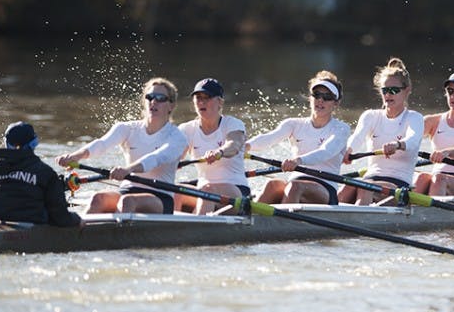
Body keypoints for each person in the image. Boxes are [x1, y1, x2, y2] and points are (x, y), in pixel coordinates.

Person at [55, 77, 188, 214]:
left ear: (171, 105)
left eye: (160, 98)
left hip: (160, 196)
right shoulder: (127, 128)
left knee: (127, 201)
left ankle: (116, 234)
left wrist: (128, 169)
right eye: (150, 97)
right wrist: (75, 156)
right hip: (128, 189)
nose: (153, 101)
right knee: (98, 199)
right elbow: (102, 144)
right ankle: (77, 232)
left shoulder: (177, 137)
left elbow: (156, 158)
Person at [246, 71, 351, 205]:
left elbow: (326, 151)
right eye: (317, 95)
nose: (320, 100)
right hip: (295, 181)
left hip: (325, 187)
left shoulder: (341, 129)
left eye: (327, 97)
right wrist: (244, 146)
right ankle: (249, 222)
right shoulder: (293, 124)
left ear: (336, 103)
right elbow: (270, 138)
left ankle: (281, 224)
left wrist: (298, 160)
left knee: (295, 187)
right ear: (310, 97)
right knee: (272, 185)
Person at [339, 58, 423, 205]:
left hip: (399, 185)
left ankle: (359, 220)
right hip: (370, 179)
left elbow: (413, 139)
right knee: (346, 187)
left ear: (407, 90)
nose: (388, 95)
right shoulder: (370, 116)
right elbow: (357, 137)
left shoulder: (414, 118)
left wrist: (397, 145)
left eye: (394, 90)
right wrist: (348, 150)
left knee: (366, 188)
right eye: (385, 90)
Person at [0, 121, 81, 226]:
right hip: (30, 228)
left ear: (6, 143)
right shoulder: (45, 173)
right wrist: (77, 219)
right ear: (34, 144)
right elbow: (60, 217)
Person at [177, 78, 249, 214]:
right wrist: (173, 161)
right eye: (198, 98)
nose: (202, 102)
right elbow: (175, 153)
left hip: (236, 190)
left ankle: (195, 229)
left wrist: (219, 152)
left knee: (207, 190)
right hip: (203, 190)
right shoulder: (186, 129)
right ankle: (170, 229)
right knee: (175, 191)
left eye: (207, 97)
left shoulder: (233, 124)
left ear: (220, 102)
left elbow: (234, 145)